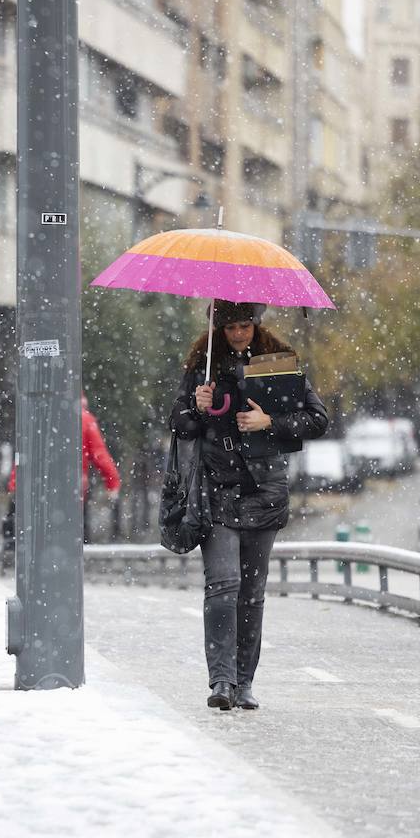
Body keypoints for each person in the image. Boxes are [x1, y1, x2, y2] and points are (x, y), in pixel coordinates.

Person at [168, 300, 328, 711]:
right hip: (216, 490)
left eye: (245, 326)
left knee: (251, 595)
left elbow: (317, 419)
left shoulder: (278, 363)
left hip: (264, 492)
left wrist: (270, 423)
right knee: (222, 586)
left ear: (256, 325)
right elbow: (177, 423)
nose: (239, 334)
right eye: (231, 327)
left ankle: (244, 682)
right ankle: (220, 680)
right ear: (218, 329)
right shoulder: (202, 368)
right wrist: (195, 408)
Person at [3, 394, 121, 553]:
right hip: (73, 489)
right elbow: (100, 454)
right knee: (76, 537)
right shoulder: (85, 419)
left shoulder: (40, 417)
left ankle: (21, 555)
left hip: (41, 488)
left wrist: (15, 483)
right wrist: (112, 482)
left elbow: (26, 455)